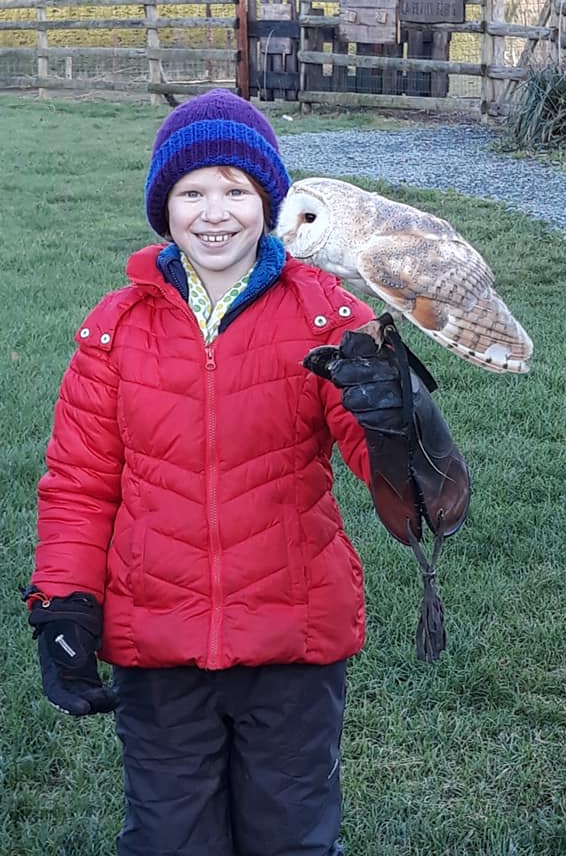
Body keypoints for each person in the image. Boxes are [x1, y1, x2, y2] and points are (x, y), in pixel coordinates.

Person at [22, 89, 470, 856]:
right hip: (157, 642)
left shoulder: (327, 316)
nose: (214, 213)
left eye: (236, 190)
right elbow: (78, 483)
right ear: (163, 207)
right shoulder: (115, 330)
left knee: (289, 837)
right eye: (191, 192)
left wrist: (401, 420)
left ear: (270, 203)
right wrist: (63, 604)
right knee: (169, 839)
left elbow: (411, 497)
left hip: (293, 640)